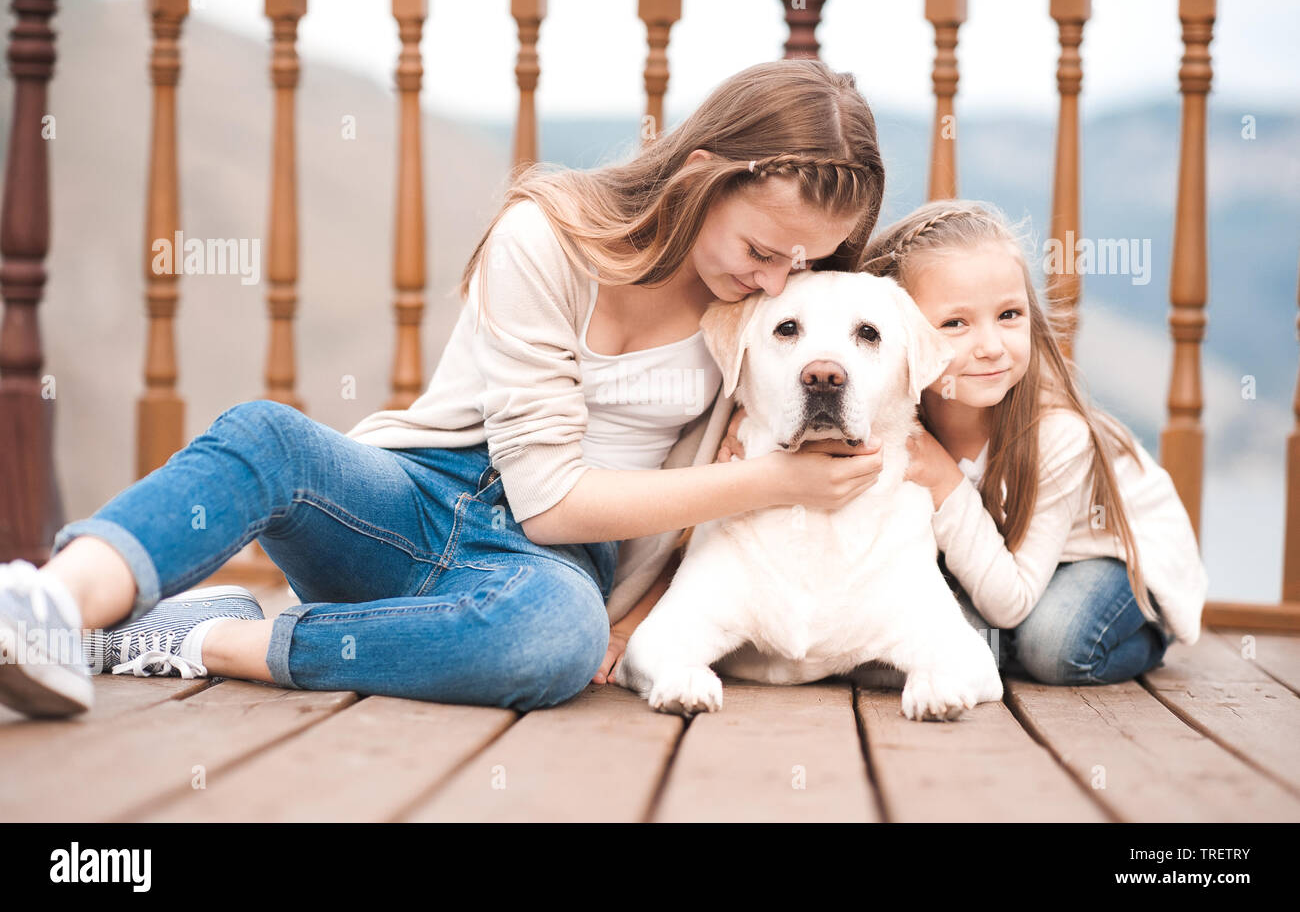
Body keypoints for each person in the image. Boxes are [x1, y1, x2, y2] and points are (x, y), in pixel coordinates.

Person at [0, 59, 888, 719]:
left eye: (805, 261)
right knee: (268, 437)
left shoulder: (771, 318)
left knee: (556, 637)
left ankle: (200, 639)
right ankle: (54, 604)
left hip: (552, 573)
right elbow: (545, 497)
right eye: (762, 251)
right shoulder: (548, 236)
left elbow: (696, 515)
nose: (781, 281)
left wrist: (637, 619)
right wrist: (772, 483)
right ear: (701, 176)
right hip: (417, 496)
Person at [718, 199, 1208, 686]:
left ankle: (1145, 635)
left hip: (1110, 560)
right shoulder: (897, 407)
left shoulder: (1060, 438)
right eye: (955, 323)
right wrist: (750, 425)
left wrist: (945, 481)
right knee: (940, 636)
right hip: (1000, 563)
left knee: (1054, 645)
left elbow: (1010, 602)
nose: (991, 346)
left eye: (1010, 314)